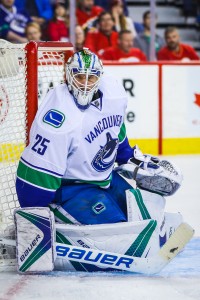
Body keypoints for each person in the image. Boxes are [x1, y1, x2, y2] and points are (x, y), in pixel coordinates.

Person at [15, 49, 186, 271]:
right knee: (119, 230)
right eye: (79, 76)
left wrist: (131, 159)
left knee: (142, 214)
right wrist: (36, 218)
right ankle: (63, 217)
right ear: (68, 75)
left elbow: (116, 129)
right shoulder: (57, 118)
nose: (85, 84)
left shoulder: (113, 92)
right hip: (73, 188)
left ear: (100, 76)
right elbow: (36, 183)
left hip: (105, 178)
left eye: (91, 77)